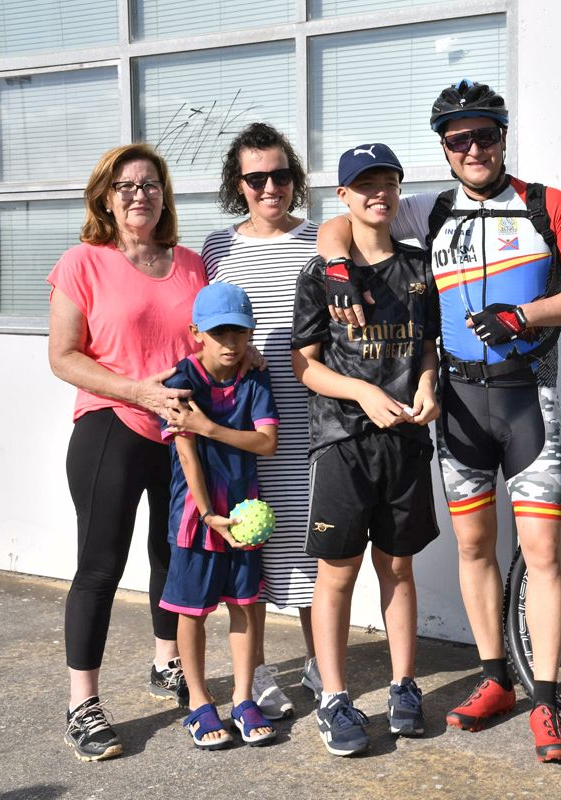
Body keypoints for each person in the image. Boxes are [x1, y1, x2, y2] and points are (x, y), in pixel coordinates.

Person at [316, 79, 561, 762]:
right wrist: (334, 264)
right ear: (444, 150)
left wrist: (525, 316)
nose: (474, 148)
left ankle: (545, 698)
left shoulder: (546, 204)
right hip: (458, 407)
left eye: (485, 135)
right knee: (475, 548)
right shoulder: (430, 210)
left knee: (540, 556)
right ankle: (493, 678)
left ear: (503, 139)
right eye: (459, 140)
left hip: (524, 399)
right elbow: (348, 217)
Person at [48, 143, 205, 761]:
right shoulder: (83, 262)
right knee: (100, 565)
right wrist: (138, 389)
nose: (139, 194)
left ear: (164, 196)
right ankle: (81, 703)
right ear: (105, 198)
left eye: (150, 184)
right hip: (111, 426)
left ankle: (167, 662)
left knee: (173, 554)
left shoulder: (192, 265)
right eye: (126, 186)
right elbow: (63, 356)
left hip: (181, 432)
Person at [292, 143, 441, 757]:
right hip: (344, 442)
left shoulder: (419, 265)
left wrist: (428, 383)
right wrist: (360, 391)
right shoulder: (323, 273)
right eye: (365, 184)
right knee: (338, 574)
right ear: (344, 197)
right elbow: (306, 365)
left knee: (400, 567)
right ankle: (333, 696)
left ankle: (404, 685)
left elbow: (428, 343)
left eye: (388, 181)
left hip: (404, 441)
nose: (378, 192)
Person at [203, 122, 322, 719]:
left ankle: (318, 660)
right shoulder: (217, 249)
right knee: (250, 553)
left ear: (294, 179)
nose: (270, 186)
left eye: (280, 175)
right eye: (256, 178)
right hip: (242, 429)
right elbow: (204, 327)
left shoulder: (324, 241)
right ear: (238, 184)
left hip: (311, 423)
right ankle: (257, 673)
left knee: (310, 548)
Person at [158, 282, 279, 750]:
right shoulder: (179, 381)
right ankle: (198, 703)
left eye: (240, 333)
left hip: (246, 513)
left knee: (246, 605)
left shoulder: (253, 375)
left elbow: (267, 443)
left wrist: (209, 426)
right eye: (220, 333)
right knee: (192, 611)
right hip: (196, 519)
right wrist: (208, 514)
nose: (231, 343)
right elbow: (187, 454)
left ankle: (244, 699)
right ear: (196, 333)